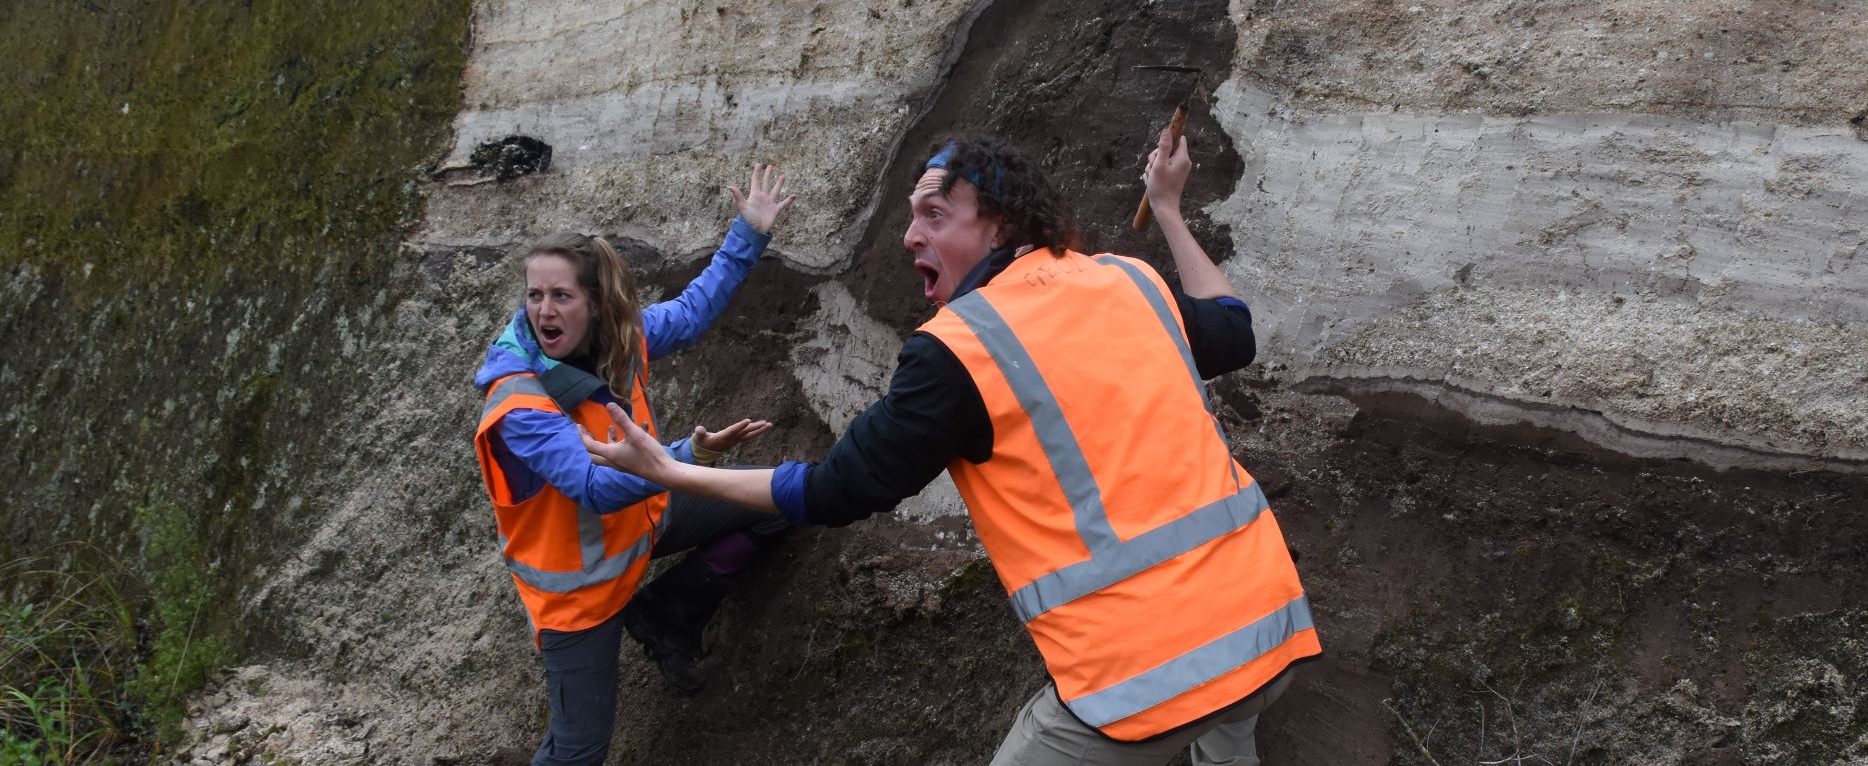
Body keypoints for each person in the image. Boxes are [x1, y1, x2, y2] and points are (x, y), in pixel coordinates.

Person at [582, 131, 1321, 765]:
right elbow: (1233, 325)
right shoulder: (1129, 279)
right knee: (1228, 715)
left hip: (1141, 680)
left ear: (998, 227)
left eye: (934, 214)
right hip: (1270, 628)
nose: (910, 236)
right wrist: (1166, 208)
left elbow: (837, 489)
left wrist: (672, 471)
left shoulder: (958, 351)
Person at [471, 164, 797, 766]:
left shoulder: (623, 342)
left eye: (560, 295)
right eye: (535, 295)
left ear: (595, 305)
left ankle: (669, 615)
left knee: (779, 499)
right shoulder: (518, 402)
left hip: (646, 525)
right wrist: (688, 458)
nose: (545, 309)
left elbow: (695, 311)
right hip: (580, 597)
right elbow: (593, 486)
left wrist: (749, 232)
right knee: (579, 751)